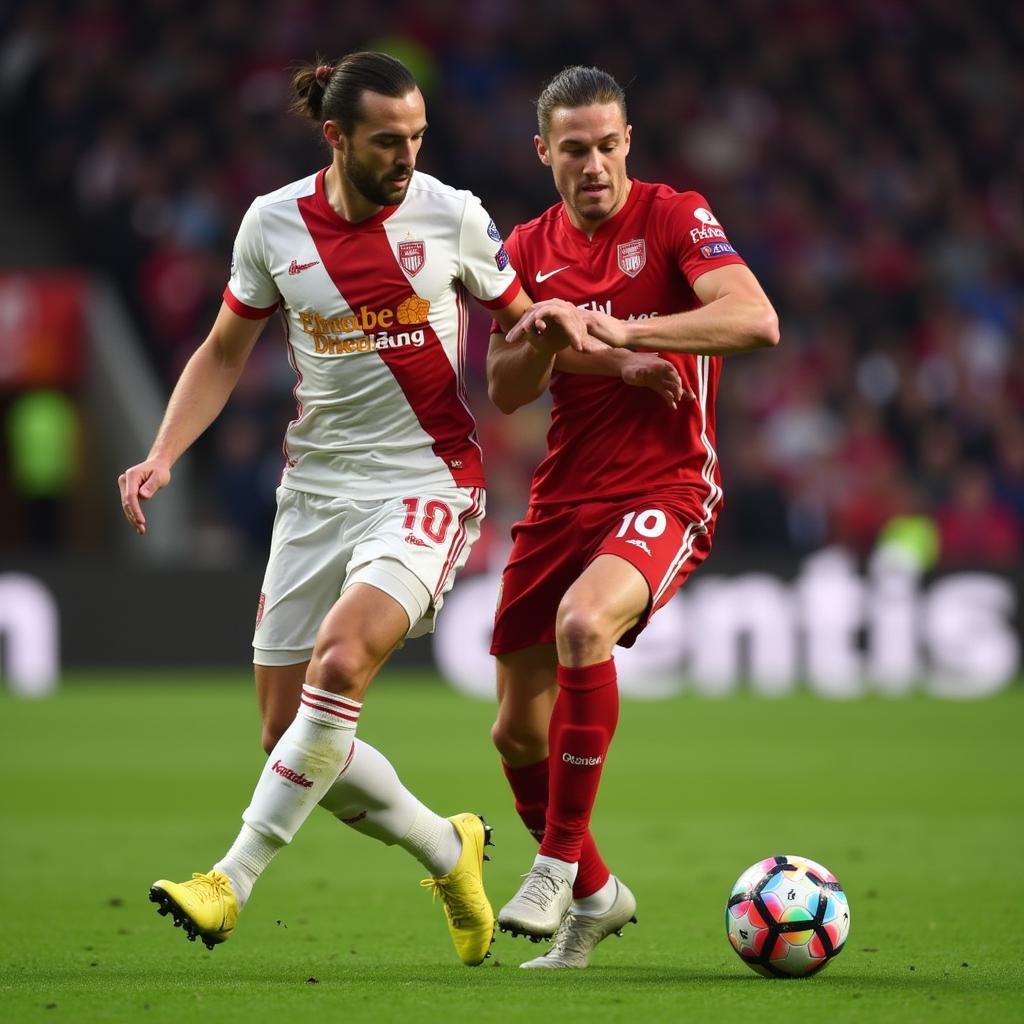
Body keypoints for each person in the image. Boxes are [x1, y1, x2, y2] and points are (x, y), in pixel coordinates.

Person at [117, 51, 559, 967]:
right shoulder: (273, 225)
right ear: (336, 137)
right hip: (314, 498)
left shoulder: (453, 217)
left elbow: (530, 325)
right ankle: (448, 847)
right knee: (292, 737)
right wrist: (163, 453)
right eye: (388, 141)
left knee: (343, 660)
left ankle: (229, 880)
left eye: (417, 138)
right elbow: (223, 352)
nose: (407, 157)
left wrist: (601, 352)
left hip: (427, 485)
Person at [486, 66, 780, 969]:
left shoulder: (673, 215)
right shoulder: (526, 247)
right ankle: (598, 897)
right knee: (514, 732)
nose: (595, 165)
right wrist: (542, 333)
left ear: (627, 143)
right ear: (545, 154)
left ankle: (554, 863)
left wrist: (629, 332)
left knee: (585, 623)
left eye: (608, 145)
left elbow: (755, 319)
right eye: (574, 149)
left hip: (667, 485)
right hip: (563, 496)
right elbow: (503, 390)